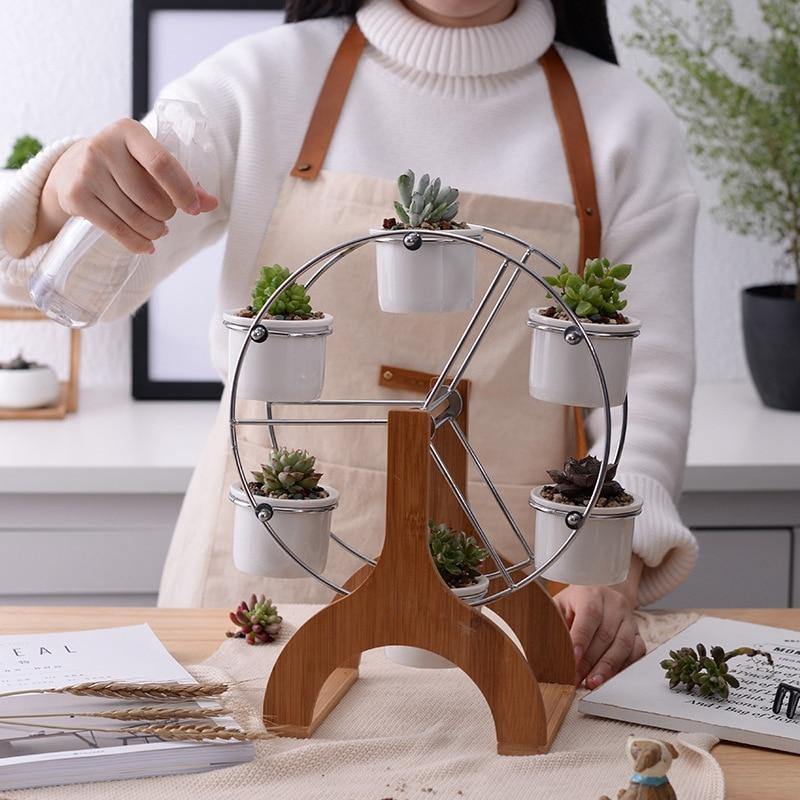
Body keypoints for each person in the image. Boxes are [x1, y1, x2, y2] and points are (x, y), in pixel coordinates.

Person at [0, 0, 698, 689]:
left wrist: (613, 568)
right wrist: (59, 195)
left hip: (516, 596)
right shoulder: (262, 82)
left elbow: (647, 379)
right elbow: (69, 285)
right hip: (259, 579)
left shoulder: (625, 124)